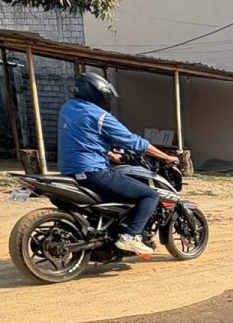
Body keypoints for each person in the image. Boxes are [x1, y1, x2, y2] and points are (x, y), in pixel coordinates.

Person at [57, 72, 178, 256]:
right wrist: (165, 157)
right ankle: (130, 236)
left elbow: (80, 137)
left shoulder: (67, 109)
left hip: (68, 171)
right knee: (149, 196)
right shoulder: (100, 116)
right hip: (93, 172)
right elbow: (133, 141)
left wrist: (108, 153)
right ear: (98, 93)